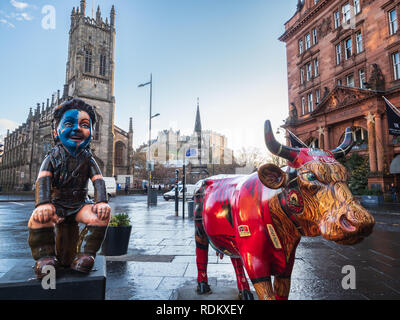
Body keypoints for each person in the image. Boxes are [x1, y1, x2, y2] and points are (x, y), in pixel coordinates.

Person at [27, 98, 111, 279]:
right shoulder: (53, 156)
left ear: (91, 132)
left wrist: (101, 201)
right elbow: (42, 180)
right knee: (38, 220)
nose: (77, 129)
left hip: (79, 204)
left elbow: (98, 180)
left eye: (84, 124)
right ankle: (45, 258)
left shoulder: (88, 158)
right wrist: (43, 203)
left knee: (100, 217)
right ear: (55, 132)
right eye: (69, 123)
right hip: (56, 203)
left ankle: (85, 254)